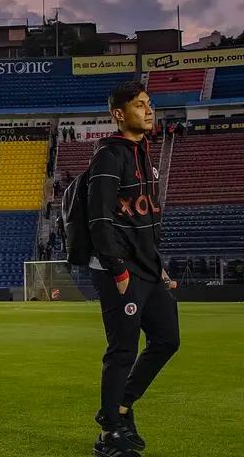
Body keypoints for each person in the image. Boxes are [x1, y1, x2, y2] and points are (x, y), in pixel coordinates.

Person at [86, 81, 180, 457]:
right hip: (118, 270)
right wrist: (119, 270)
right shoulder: (109, 156)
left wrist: (158, 268)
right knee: (122, 350)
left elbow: (145, 221)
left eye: (149, 103)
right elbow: (99, 219)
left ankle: (120, 407)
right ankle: (110, 434)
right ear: (119, 114)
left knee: (167, 339)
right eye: (140, 105)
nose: (149, 109)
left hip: (147, 268)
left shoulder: (144, 155)